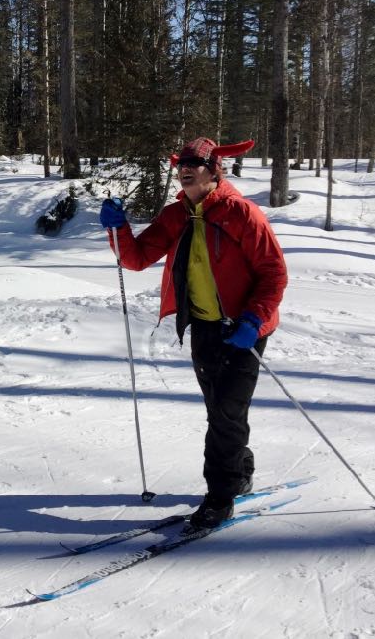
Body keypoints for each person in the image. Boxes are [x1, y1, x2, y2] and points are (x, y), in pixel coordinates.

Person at [99, 137, 287, 529]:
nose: (184, 169)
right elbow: (136, 259)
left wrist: (253, 320)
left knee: (226, 413)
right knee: (221, 410)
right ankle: (239, 469)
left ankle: (220, 498)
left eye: (193, 163)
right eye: (180, 164)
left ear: (214, 170)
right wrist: (118, 229)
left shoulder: (242, 213)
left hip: (244, 329)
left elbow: (274, 273)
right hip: (203, 327)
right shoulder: (176, 215)